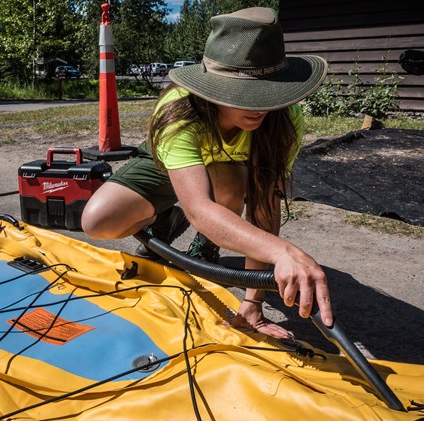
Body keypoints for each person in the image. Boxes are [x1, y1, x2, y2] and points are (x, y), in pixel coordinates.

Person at [81, 7, 333, 338]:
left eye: (268, 93)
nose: (260, 107)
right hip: (171, 168)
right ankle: (165, 218)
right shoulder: (179, 111)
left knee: (231, 178)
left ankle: (205, 247)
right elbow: (200, 207)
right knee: (98, 221)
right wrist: (281, 252)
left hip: (226, 177)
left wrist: (253, 303)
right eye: (245, 95)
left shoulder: (285, 119)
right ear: (214, 87)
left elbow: (264, 206)